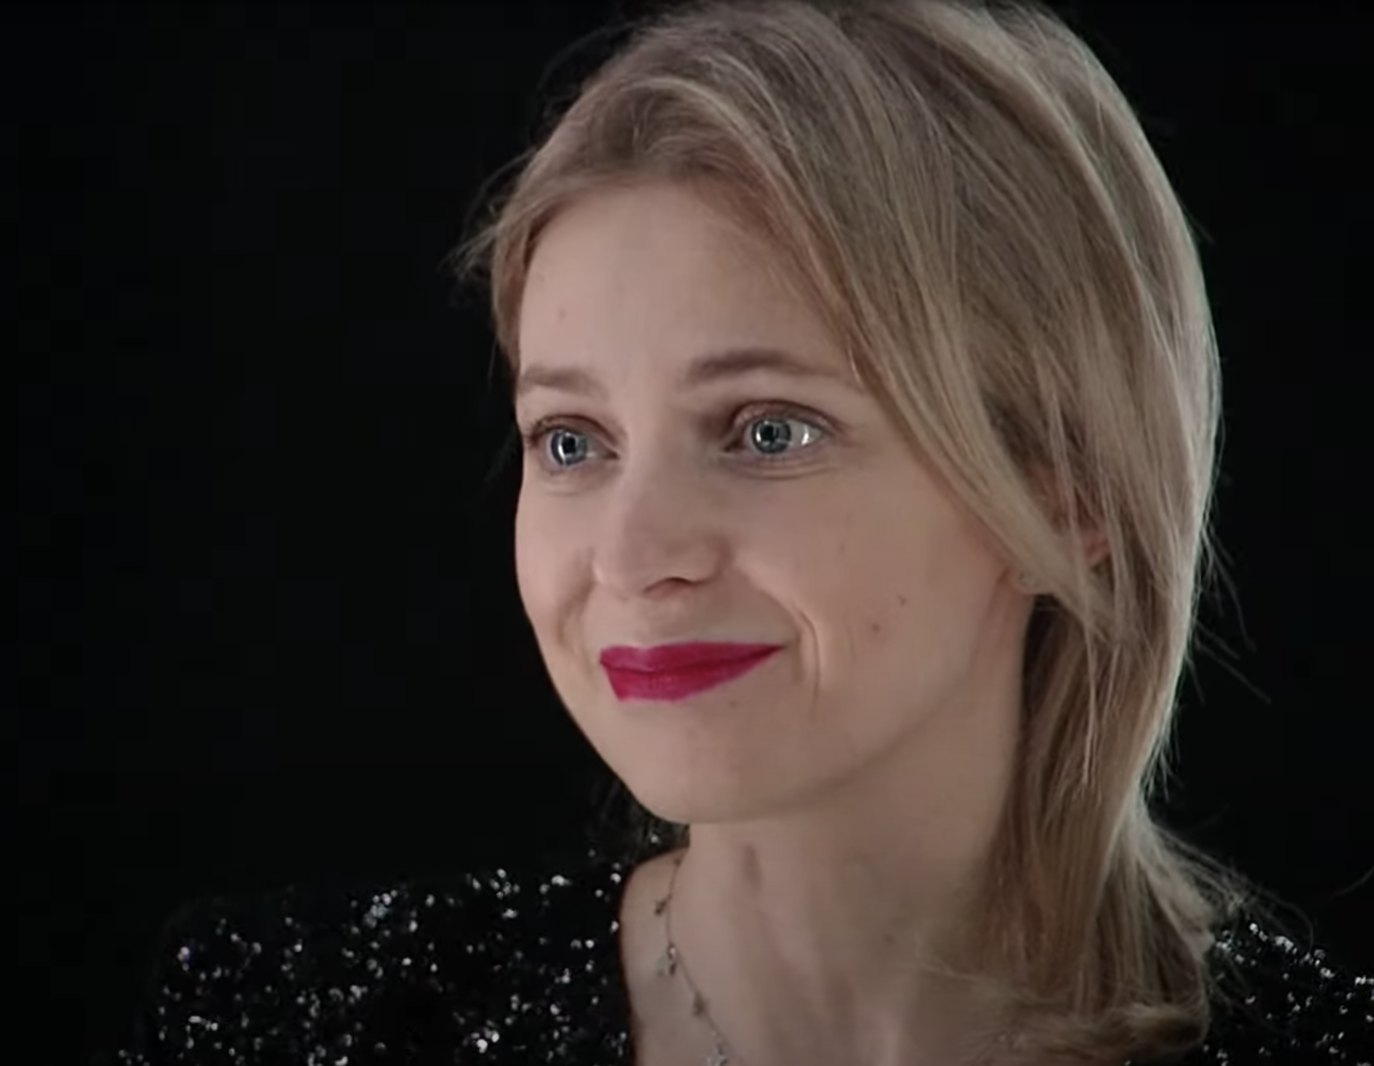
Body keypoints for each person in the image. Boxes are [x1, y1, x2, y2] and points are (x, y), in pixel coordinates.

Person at [113, 1, 1374, 1063]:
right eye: (572, 441)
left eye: (769, 430)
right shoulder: (296, 1025)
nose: (631, 557)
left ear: (1070, 490)